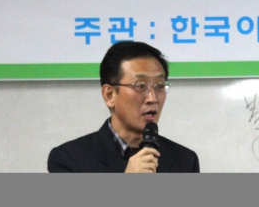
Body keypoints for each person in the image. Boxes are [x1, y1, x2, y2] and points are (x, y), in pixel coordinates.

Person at [48, 42, 200, 173]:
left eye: (159, 86)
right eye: (140, 86)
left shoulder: (185, 161)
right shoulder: (69, 159)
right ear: (110, 95)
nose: (152, 98)